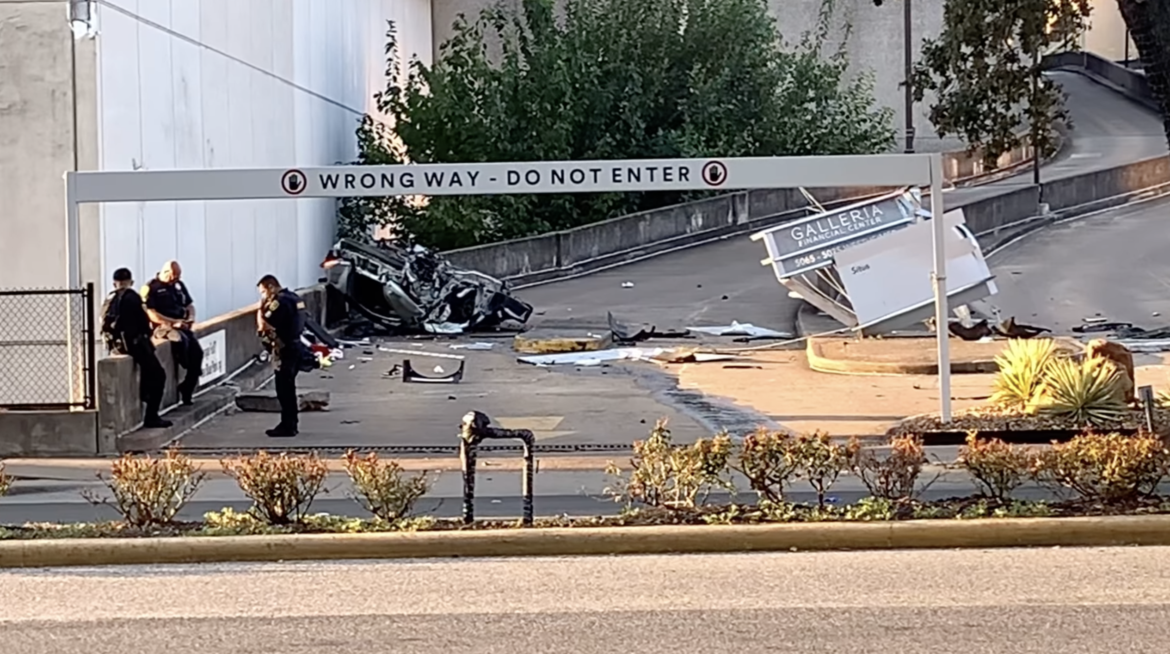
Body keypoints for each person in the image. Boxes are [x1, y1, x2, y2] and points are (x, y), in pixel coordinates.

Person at [104, 268, 171, 429]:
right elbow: (143, 324)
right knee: (159, 375)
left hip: (119, 347)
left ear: (114, 283)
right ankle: (152, 416)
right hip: (136, 345)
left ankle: (147, 398)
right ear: (131, 282)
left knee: (149, 375)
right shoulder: (132, 297)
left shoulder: (109, 299)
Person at [142, 260, 203, 406]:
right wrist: (172, 322)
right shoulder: (151, 287)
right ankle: (185, 362)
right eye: (174, 276)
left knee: (198, 352)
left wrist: (190, 317)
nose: (176, 279)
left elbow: (189, 305)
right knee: (180, 341)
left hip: (182, 325)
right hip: (163, 326)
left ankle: (187, 388)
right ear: (166, 273)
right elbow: (151, 313)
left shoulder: (178, 286)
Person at [256, 274, 309, 437]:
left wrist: (260, 309)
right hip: (296, 345)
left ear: (271, 287)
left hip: (284, 348)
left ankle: (288, 425)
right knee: (289, 387)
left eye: (263, 292)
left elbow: (266, 325)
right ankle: (291, 423)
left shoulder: (279, 302)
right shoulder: (294, 298)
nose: (263, 296)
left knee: (284, 389)